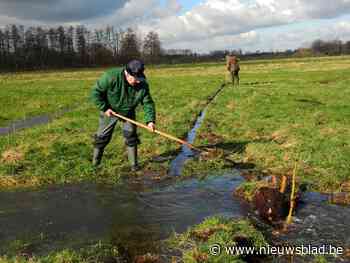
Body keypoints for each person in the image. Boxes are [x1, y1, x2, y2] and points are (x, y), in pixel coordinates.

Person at [90, 59, 156, 171]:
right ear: (127, 74)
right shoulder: (110, 77)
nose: (138, 82)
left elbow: (147, 103)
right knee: (102, 137)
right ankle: (95, 165)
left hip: (128, 112)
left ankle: (134, 166)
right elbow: (96, 93)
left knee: (131, 136)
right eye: (136, 79)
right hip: (110, 111)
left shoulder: (142, 84)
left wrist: (150, 121)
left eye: (140, 79)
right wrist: (105, 108)